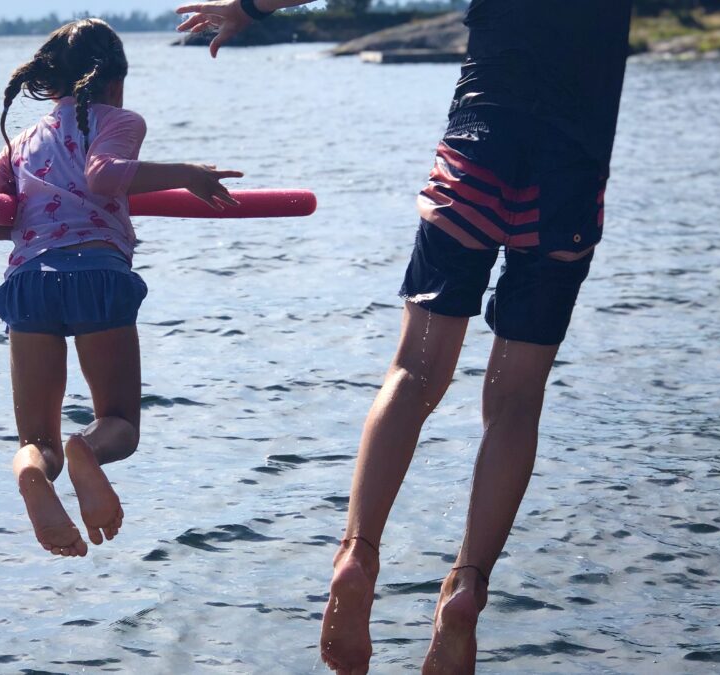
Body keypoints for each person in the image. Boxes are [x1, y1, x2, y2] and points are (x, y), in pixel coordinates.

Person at [175, 1, 632, 673]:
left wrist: (250, 7)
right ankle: (466, 586)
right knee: (515, 401)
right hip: (570, 169)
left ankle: (358, 552)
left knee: (414, 374)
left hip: (480, 147)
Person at [0, 18, 243, 559]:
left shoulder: (22, 143)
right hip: (96, 275)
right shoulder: (118, 118)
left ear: (53, 81)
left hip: (30, 283)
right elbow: (103, 175)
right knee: (120, 423)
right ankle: (86, 451)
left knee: (34, 442)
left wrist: (24, 213)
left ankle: (33, 473)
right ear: (115, 80)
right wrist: (187, 173)